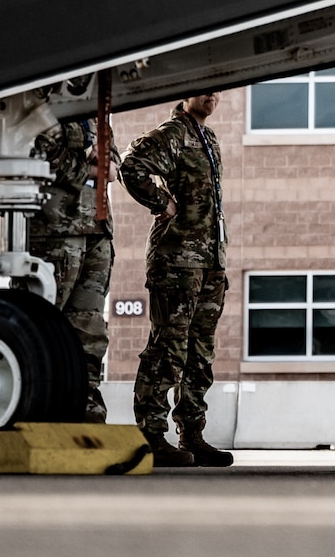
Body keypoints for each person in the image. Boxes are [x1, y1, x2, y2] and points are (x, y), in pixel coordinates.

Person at [120, 91, 232, 469]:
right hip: (177, 259)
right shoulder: (173, 133)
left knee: (200, 351)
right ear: (185, 95)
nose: (210, 96)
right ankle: (151, 434)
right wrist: (160, 202)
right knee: (169, 346)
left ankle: (192, 433)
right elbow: (131, 166)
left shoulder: (208, 137)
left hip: (209, 260)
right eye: (203, 90)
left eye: (216, 91)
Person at [29, 117, 118, 424]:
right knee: (43, 322)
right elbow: (42, 156)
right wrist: (90, 166)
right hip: (56, 228)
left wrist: (95, 164)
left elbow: (114, 168)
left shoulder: (96, 113)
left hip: (97, 227)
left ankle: (86, 406)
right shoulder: (46, 108)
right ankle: (34, 404)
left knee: (89, 325)